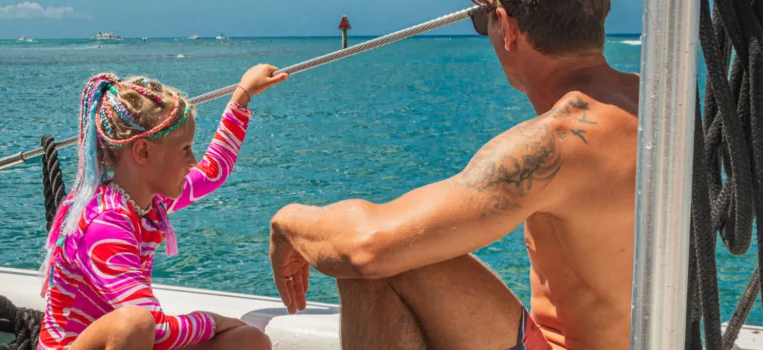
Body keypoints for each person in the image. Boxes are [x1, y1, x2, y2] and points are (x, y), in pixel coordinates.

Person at [268, 0, 639, 349]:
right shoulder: (665, 107)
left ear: (508, 28)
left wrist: (287, 224)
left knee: (382, 264)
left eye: (482, 20)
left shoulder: (552, 144)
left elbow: (366, 248)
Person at [37, 64, 288, 350]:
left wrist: (242, 97)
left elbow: (212, 171)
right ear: (143, 151)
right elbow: (153, 328)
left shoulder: (149, 203)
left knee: (248, 341)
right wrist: (213, 322)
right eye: (184, 150)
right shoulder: (104, 223)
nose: (193, 161)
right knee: (133, 323)